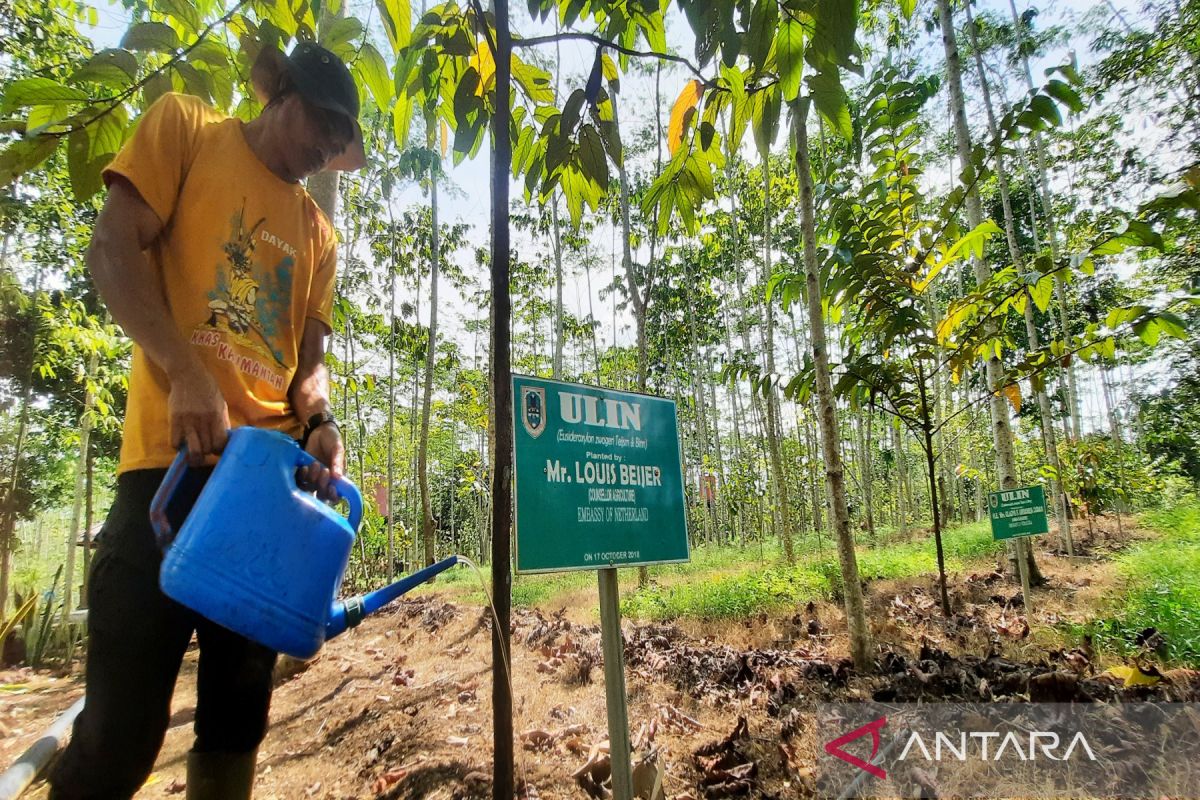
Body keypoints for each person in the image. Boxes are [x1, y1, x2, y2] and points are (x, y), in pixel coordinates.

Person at [49, 42, 366, 800]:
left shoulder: (320, 236)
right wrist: (186, 372)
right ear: (279, 94)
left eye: (335, 141)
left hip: (266, 494)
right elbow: (110, 250)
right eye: (318, 126)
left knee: (235, 722)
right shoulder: (186, 130)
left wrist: (319, 417)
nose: (323, 149)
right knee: (120, 735)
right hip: (170, 469)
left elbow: (306, 364)